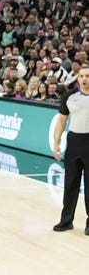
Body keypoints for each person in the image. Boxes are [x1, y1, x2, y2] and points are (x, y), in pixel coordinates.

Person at [51, 66, 89, 234]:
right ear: (77, 78)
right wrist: (56, 143)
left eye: (87, 75)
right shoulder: (69, 95)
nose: (84, 79)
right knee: (70, 184)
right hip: (74, 141)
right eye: (81, 76)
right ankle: (66, 220)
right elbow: (61, 121)